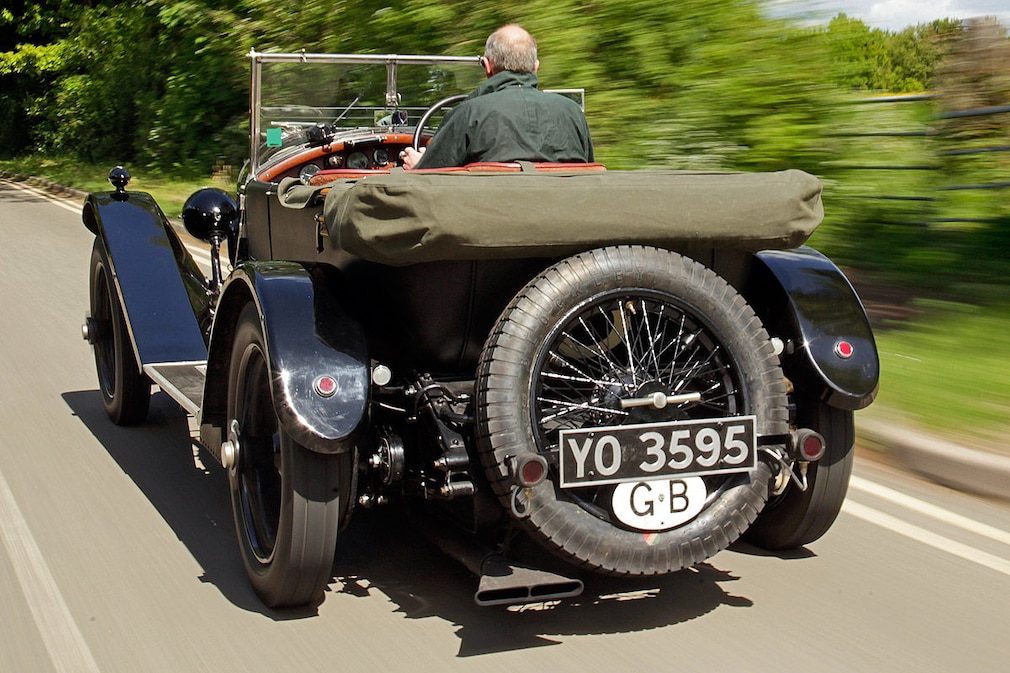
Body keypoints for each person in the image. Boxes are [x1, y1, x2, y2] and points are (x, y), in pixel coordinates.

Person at [400, 24, 594, 169]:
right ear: (535, 68)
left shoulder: (467, 114)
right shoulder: (573, 113)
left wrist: (417, 167)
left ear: (487, 66)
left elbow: (431, 181)